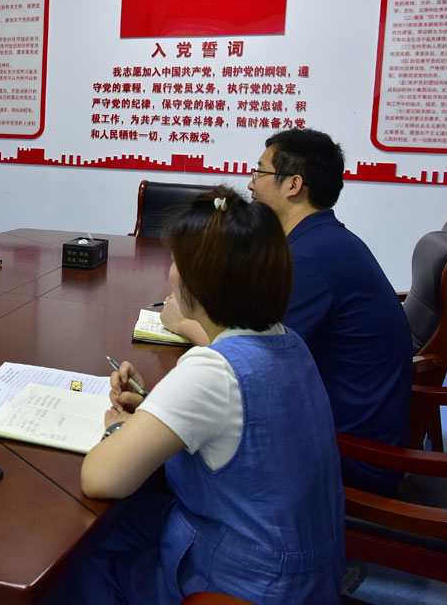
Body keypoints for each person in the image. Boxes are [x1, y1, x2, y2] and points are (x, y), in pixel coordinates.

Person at [75, 187, 344, 604]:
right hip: (303, 573)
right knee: (126, 521)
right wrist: (153, 414)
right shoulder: (288, 341)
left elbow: (99, 479)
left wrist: (118, 429)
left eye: (177, 262)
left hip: (243, 584)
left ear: (198, 280)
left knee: (77, 562)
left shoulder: (212, 371)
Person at [159, 128, 411, 489]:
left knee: (173, 449)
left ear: (293, 184)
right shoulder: (324, 240)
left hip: (349, 453)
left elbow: (255, 363)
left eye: (259, 172)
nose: (251, 184)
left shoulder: (310, 258)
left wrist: (183, 322)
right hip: (339, 421)